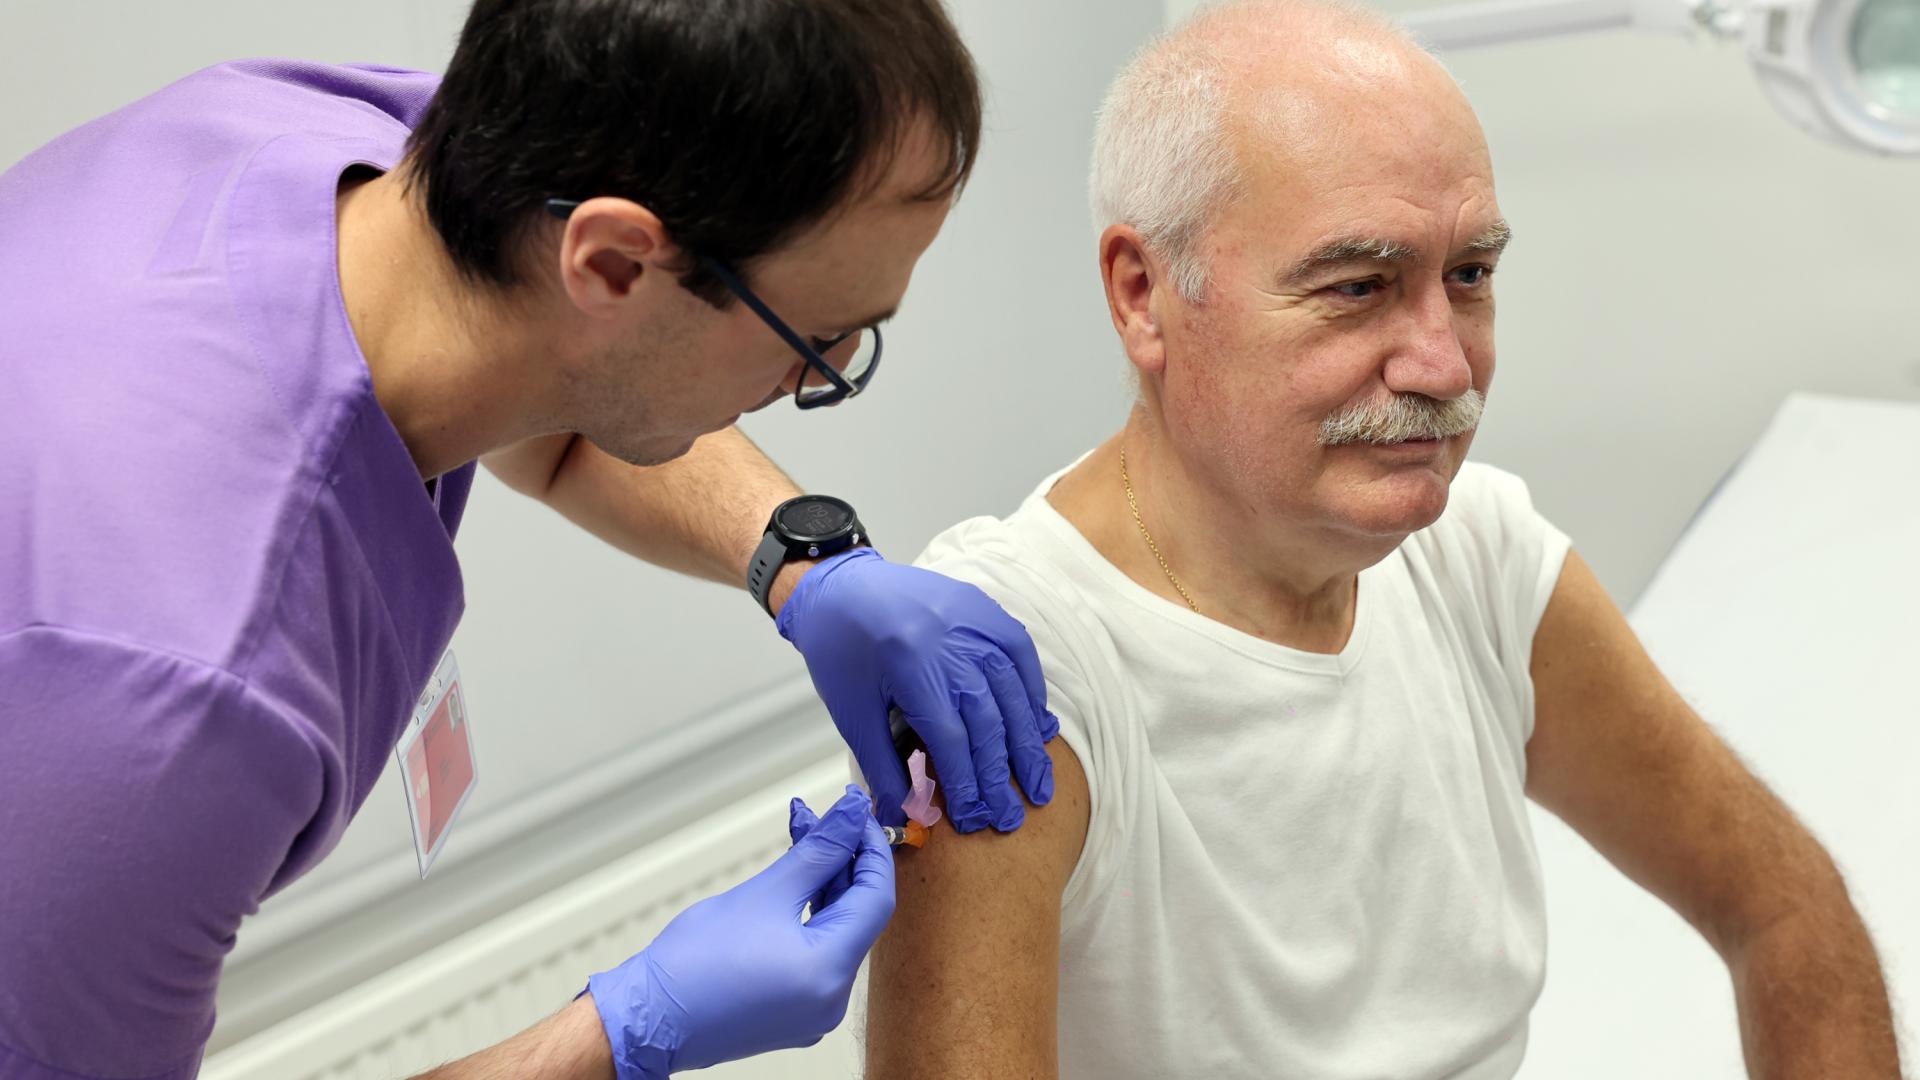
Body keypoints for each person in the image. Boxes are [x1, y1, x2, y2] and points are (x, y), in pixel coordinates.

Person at [0, 2, 1065, 1078]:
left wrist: (804, 566)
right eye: (818, 344)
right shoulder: (177, 683)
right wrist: (620, 1032)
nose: (805, 386)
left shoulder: (326, 144)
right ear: (608, 262)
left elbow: (558, 412)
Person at [862, 2, 1903, 1077]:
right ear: (1143, 295)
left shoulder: (1478, 557)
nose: (1445, 368)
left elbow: (1785, 907)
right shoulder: (1000, 672)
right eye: (1358, 288)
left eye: (1470, 277)